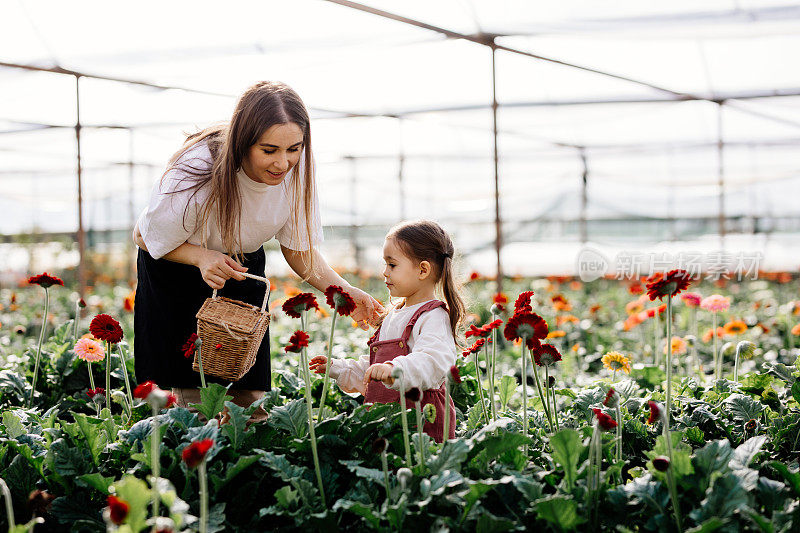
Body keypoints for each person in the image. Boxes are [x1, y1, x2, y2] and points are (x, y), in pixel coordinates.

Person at [132, 81, 383, 422]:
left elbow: (299, 251)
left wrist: (344, 291)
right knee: (190, 393)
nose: (283, 163)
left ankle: (245, 451)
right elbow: (145, 237)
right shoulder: (196, 169)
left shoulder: (297, 170)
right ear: (242, 143)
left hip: (241, 265)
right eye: (269, 151)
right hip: (177, 265)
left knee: (246, 390)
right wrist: (201, 257)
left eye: (293, 149)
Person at [309, 220, 465, 441]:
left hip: (422, 425)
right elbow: (372, 370)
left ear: (422, 270)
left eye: (392, 265)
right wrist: (337, 368)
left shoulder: (433, 316)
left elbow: (433, 361)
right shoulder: (394, 314)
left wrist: (395, 370)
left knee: (420, 472)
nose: (384, 272)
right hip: (386, 425)